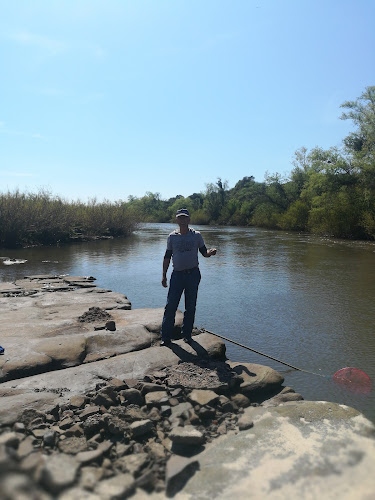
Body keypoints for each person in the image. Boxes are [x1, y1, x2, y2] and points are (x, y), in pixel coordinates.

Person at [160, 208, 217, 346]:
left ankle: (187, 335)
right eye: (180, 217)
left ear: (189, 219)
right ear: (177, 220)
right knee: (171, 306)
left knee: (190, 306)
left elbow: (204, 252)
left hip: (193, 274)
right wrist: (164, 275)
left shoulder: (196, 235)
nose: (183, 220)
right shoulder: (172, 237)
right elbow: (167, 256)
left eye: (185, 217)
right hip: (177, 275)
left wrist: (210, 253)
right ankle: (166, 338)